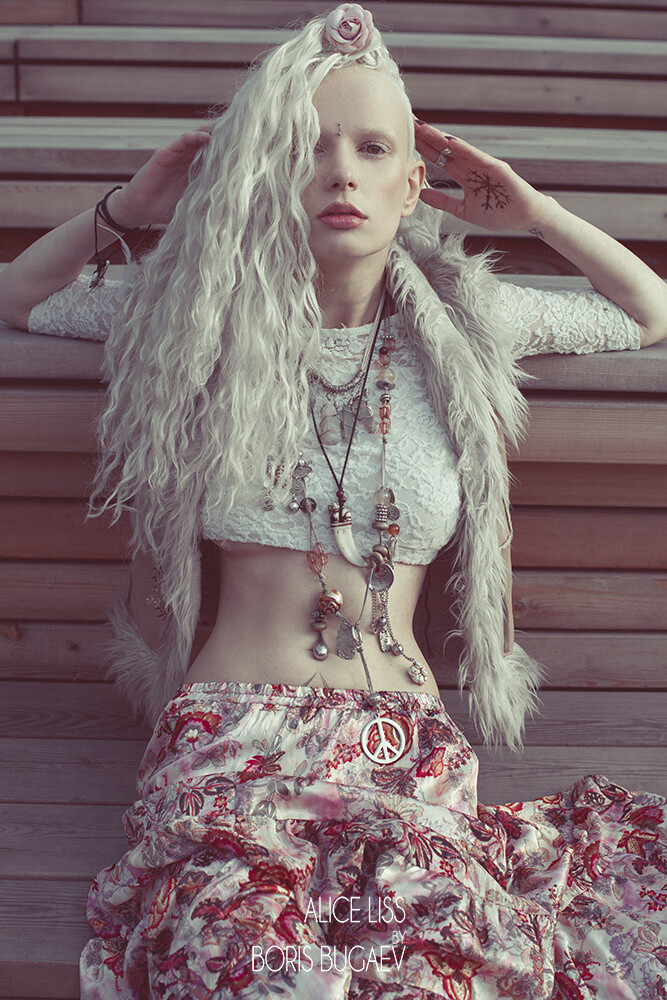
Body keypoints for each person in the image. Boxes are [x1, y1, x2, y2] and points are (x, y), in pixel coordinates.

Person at [1, 5, 665, 997]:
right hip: (230, 745)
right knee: (249, 968)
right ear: (266, 176)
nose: (341, 173)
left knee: (426, 973)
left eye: (371, 148)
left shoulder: (469, 321)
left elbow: (646, 312)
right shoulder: (192, 315)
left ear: (413, 184)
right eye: (307, 148)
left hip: (403, 753)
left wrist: (533, 215)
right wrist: (127, 211)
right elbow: (19, 298)